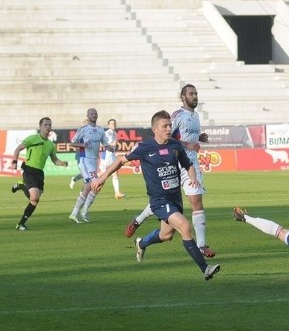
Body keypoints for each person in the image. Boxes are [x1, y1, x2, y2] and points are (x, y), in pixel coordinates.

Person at [92, 110, 220, 281]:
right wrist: (102, 177)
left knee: (166, 235)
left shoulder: (175, 146)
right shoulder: (145, 148)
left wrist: (193, 178)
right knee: (184, 226)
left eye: (169, 125)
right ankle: (205, 269)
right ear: (155, 129)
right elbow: (121, 160)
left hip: (175, 198)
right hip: (159, 200)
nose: (168, 128)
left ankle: (142, 243)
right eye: (164, 126)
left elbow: (188, 165)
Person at [125, 84, 215, 259]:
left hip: (190, 164)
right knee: (163, 201)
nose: (195, 96)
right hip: (172, 163)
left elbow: (185, 137)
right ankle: (138, 220)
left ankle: (202, 245)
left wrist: (198, 138)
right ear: (183, 97)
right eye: (191, 94)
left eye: (196, 93)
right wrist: (188, 144)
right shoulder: (177, 116)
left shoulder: (195, 116)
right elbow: (168, 139)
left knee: (196, 202)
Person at [10, 117, 69, 230]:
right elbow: (17, 149)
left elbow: (54, 159)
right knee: (34, 197)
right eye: (46, 124)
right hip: (29, 170)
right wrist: (14, 162)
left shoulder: (50, 145)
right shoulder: (33, 139)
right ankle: (22, 186)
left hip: (39, 173)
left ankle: (20, 223)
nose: (48, 127)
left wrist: (61, 163)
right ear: (40, 126)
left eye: (50, 125)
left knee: (35, 200)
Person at [68, 108, 114, 223]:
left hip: (94, 161)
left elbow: (105, 143)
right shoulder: (83, 129)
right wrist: (82, 144)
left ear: (97, 115)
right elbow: (72, 143)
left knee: (96, 185)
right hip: (85, 160)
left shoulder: (100, 130)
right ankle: (79, 212)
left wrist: (110, 148)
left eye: (95, 113)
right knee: (91, 185)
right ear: (87, 116)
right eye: (91, 113)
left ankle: (82, 211)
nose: (94, 115)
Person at [101, 118, 126, 199]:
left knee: (114, 173)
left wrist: (115, 145)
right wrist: (112, 143)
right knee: (103, 174)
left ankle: (117, 193)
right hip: (107, 156)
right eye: (111, 124)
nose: (113, 125)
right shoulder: (107, 133)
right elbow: (102, 144)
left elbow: (113, 145)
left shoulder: (114, 133)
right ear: (108, 125)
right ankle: (91, 184)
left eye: (114, 123)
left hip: (112, 155)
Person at [69, 117, 88, 190]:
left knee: (87, 174)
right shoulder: (80, 131)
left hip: (89, 156)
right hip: (81, 155)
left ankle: (83, 191)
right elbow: (73, 143)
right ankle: (75, 180)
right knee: (85, 174)